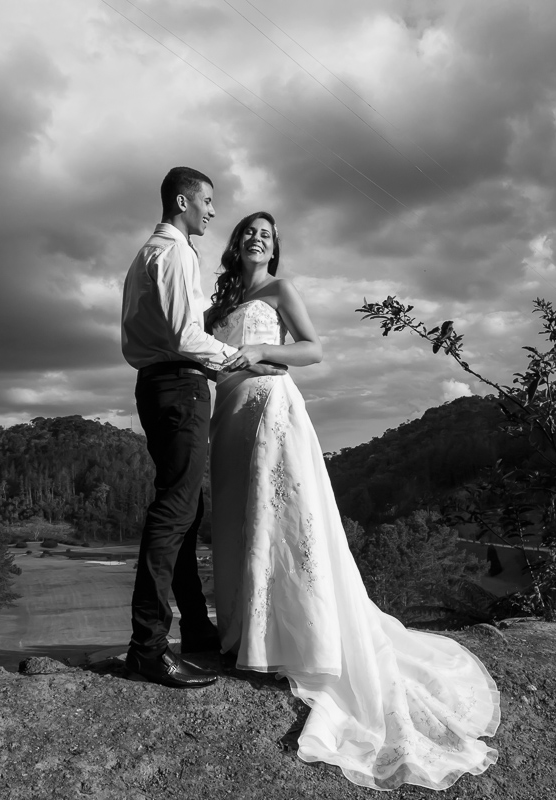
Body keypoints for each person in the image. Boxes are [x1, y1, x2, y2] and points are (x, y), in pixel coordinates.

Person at [207, 212, 501, 790]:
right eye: (248, 231)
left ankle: (291, 641)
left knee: (278, 522)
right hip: (229, 417)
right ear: (235, 243)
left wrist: (262, 349)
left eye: (265, 233)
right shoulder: (220, 304)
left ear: (274, 245)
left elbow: (313, 351)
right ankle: (241, 634)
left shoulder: (279, 289)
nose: (256, 238)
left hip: (269, 406)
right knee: (237, 524)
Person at [119, 168, 284, 689]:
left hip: (166, 385)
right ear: (183, 200)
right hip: (178, 384)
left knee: (187, 512)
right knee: (174, 511)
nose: (212, 211)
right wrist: (242, 360)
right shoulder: (173, 253)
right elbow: (186, 336)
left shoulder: (156, 252)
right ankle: (147, 647)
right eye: (207, 201)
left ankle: (195, 629)